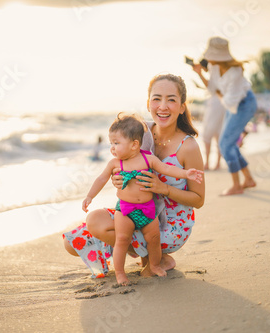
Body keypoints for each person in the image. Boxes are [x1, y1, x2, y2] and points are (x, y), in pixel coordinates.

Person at [63, 74, 205, 279]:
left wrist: (163, 188)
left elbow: (198, 200)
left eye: (171, 99)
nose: (163, 106)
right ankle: (153, 257)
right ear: (148, 104)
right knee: (72, 243)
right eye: (157, 99)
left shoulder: (188, 146)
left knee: (96, 222)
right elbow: (119, 161)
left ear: (182, 106)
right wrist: (117, 180)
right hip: (134, 213)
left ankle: (156, 256)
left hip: (169, 226)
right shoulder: (140, 132)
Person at [82, 113, 203, 285]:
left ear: (134, 145)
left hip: (147, 209)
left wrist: (186, 173)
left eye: (116, 143)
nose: (112, 148)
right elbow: (101, 179)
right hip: (125, 210)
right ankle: (120, 273)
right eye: (111, 143)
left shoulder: (148, 159)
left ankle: (154, 265)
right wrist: (89, 196)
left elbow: (167, 169)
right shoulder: (115, 163)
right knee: (122, 240)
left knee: (153, 239)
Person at [194, 36, 257, 196]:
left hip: (244, 104)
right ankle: (248, 179)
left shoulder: (235, 71)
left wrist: (219, 94)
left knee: (225, 144)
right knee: (228, 144)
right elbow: (213, 88)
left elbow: (229, 100)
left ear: (217, 56)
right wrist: (200, 73)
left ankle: (237, 185)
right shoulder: (214, 67)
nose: (206, 57)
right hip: (232, 104)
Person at [191, 60, 226, 170]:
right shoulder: (222, 70)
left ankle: (207, 163)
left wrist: (199, 73)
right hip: (223, 104)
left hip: (216, 104)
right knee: (218, 133)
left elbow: (212, 87)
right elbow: (214, 88)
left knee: (208, 133)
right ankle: (217, 163)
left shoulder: (214, 69)